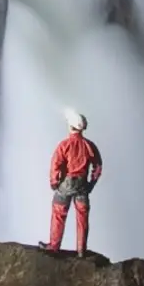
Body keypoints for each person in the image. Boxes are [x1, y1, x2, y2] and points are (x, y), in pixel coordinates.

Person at [40, 108, 103, 255]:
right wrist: (91, 184)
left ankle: (54, 246)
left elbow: (55, 164)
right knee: (82, 216)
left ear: (71, 127)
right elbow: (98, 166)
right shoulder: (89, 146)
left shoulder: (64, 145)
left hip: (66, 183)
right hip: (82, 184)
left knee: (59, 212)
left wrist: (54, 182)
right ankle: (81, 250)